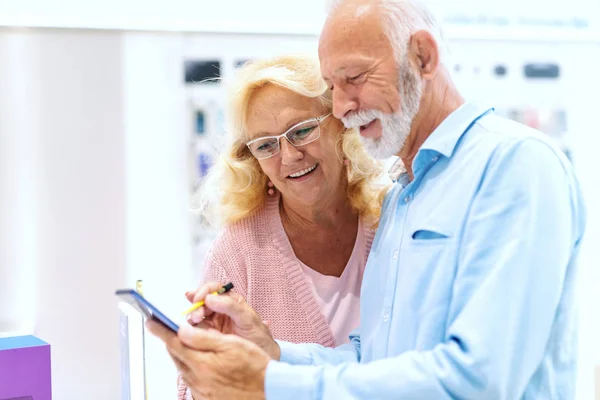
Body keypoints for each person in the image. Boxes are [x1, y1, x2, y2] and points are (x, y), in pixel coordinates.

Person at [148, 0, 587, 399]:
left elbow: (478, 378)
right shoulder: (403, 198)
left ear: (423, 57)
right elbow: (375, 361)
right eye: (332, 87)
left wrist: (269, 382)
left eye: (354, 78)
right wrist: (273, 353)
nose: (341, 106)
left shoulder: (515, 167)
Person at [176, 54, 387, 399]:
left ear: (341, 123)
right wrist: (210, 367)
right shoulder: (240, 249)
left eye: (302, 130)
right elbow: (191, 391)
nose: (289, 156)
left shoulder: (390, 225)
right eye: (266, 145)